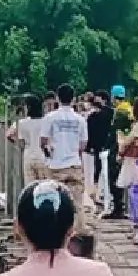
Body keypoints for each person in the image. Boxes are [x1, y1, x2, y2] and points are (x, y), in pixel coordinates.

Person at [40, 85, 92, 253]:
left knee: (54, 200)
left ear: (56, 98)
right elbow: (83, 145)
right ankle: (78, 233)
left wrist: (50, 152)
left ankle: (55, 232)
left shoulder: (50, 117)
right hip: (74, 164)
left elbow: (43, 141)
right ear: (74, 98)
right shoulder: (80, 119)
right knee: (77, 201)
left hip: (55, 165)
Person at [87, 90, 120, 218]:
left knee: (99, 173)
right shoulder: (112, 113)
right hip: (107, 147)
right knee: (104, 174)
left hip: (99, 147)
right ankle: (102, 198)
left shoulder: (95, 115)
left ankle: (98, 198)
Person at [13, 94, 47, 185]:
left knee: (30, 186)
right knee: (44, 186)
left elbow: (21, 144)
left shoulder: (22, 123)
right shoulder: (45, 121)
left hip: (28, 156)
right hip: (43, 157)